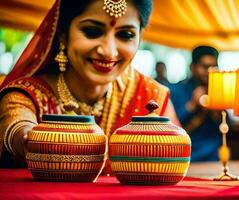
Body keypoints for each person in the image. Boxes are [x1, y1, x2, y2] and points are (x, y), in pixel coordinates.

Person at [0, 0, 179, 168]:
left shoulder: (150, 96)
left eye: (125, 35)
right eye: (92, 32)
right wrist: (28, 139)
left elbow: (175, 160)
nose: (109, 51)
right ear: (63, 34)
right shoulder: (27, 96)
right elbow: (18, 127)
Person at [170, 45, 221, 161]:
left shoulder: (218, 91)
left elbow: (226, 127)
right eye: (205, 67)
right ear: (192, 67)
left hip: (213, 158)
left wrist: (218, 110)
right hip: (184, 157)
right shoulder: (176, 90)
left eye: (214, 67)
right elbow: (170, 126)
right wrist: (191, 105)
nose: (210, 72)